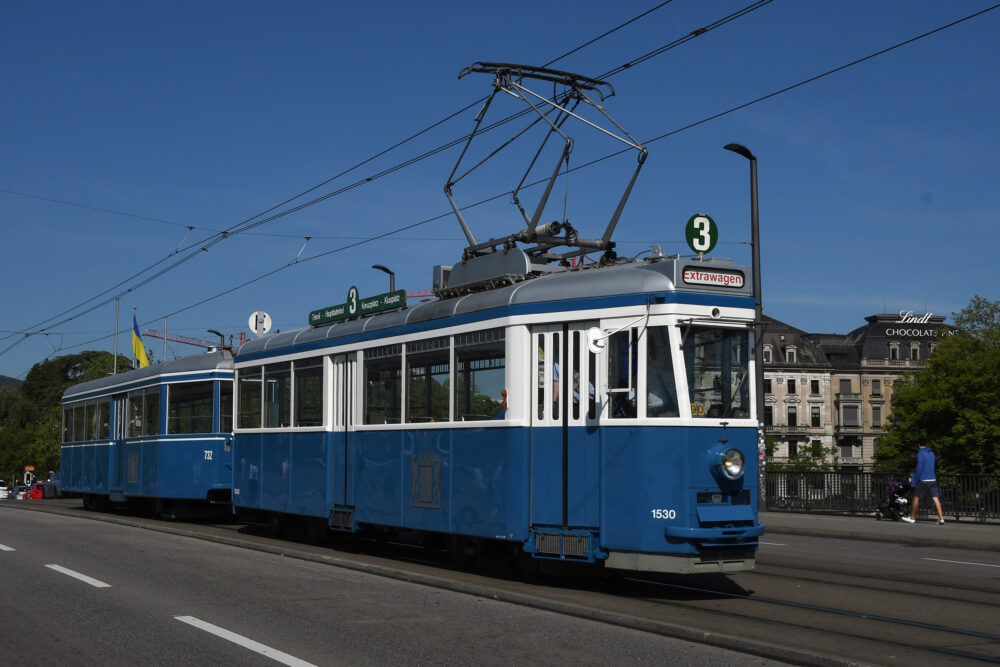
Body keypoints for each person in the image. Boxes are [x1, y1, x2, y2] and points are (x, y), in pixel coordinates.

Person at [902, 440, 945, 525]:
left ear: (919, 445)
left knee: (916, 498)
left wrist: (915, 480)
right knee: (935, 498)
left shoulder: (920, 453)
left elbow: (919, 468)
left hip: (923, 480)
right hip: (932, 479)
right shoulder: (932, 453)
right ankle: (941, 519)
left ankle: (912, 518)